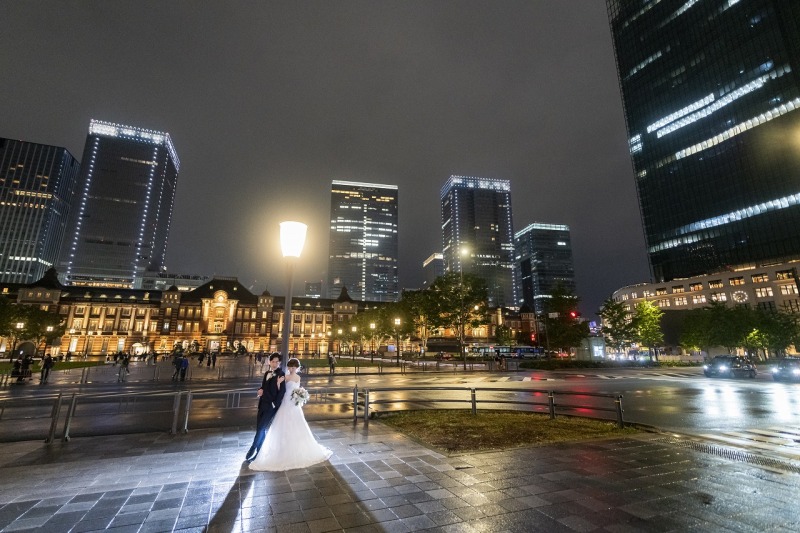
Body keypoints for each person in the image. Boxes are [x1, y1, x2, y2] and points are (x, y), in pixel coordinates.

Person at [249, 358, 332, 471]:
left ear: (297, 368)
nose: (291, 369)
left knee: (296, 426)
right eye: (290, 367)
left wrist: (300, 396)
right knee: (279, 426)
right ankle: (267, 449)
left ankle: (260, 448)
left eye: (293, 367)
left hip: (293, 404)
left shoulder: (298, 378)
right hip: (284, 403)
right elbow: (281, 390)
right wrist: (278, 383)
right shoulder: (285, 377)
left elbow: (297, 389)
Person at [245, 353, 285, 463]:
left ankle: (253, 448)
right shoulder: (267, 373)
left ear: (279, 363)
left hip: (270, 406)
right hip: (262, 404)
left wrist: (274, 404)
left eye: (277, 362)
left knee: (262, 428)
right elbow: (263, 386)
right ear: (269, 362)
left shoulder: (281, 374)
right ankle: (259, 452)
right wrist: (260, 390)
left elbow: (282, 392)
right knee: (260, 428)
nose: (275, 364)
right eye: (273, 361)